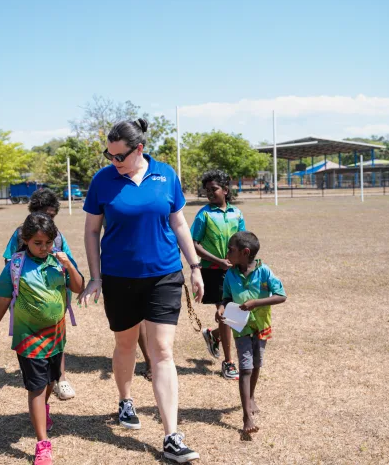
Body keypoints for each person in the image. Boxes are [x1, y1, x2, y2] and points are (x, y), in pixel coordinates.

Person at [79, 118, 204, 463]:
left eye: (119, 155)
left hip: (164, 274)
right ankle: (125, 401)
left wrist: (194, 267)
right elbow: (91, 231)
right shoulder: (102, 181)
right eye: (109, 154)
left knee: (162, 350)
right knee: (125, 344)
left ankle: (171, 436)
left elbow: (179, 222)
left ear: (139, 149)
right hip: (119, 278)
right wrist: (96, 276)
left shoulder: (165, 175)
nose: (113, 161)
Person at [0, 212, 84, 465]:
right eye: (37, 243)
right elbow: (4, 297)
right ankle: (42, 444)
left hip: (56, 335)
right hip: (28, 337)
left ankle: (43, 409)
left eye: (48, 243)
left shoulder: (58, 261)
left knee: (51, 381)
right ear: (26, 241)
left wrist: (69, 266)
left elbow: (78, 287)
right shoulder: (16, 264)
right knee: (37, 387)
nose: (43, 248)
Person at [3, 188, 81, 400]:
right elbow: (9, 263)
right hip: (28, 299)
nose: (50, 220)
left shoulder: (57, 237)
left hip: (55, 296)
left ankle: (60, 379)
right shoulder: (20, 234)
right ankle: (35, 374)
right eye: (46, 215)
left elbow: (70, 264)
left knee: (57, 337)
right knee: (31, 337)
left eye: (53, 217)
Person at [217, 231, 287, 435]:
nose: (227, 253)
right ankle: (246, 416)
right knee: (245, 368)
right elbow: (226, 297)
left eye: (231, 250)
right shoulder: (230, 274)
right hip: (241, 328)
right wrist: (221, 308)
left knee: (257, 365)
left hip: (261, 326)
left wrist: (256, 303)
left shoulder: (264, 272)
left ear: (245, 252)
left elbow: (281, 296)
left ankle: (251, 396)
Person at [190, 170, 245, 380]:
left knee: (236, 312)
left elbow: (243, 241)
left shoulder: (237, 214)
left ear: (225, 190)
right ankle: (229, 363)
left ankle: (213, 335)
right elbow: (193, 244)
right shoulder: (204, 214)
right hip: (213, 271)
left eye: (214, 189)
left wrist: (244, 264)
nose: (210, 194)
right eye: (207, 190)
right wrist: (218, 261)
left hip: (234, 271)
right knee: (227, 315)